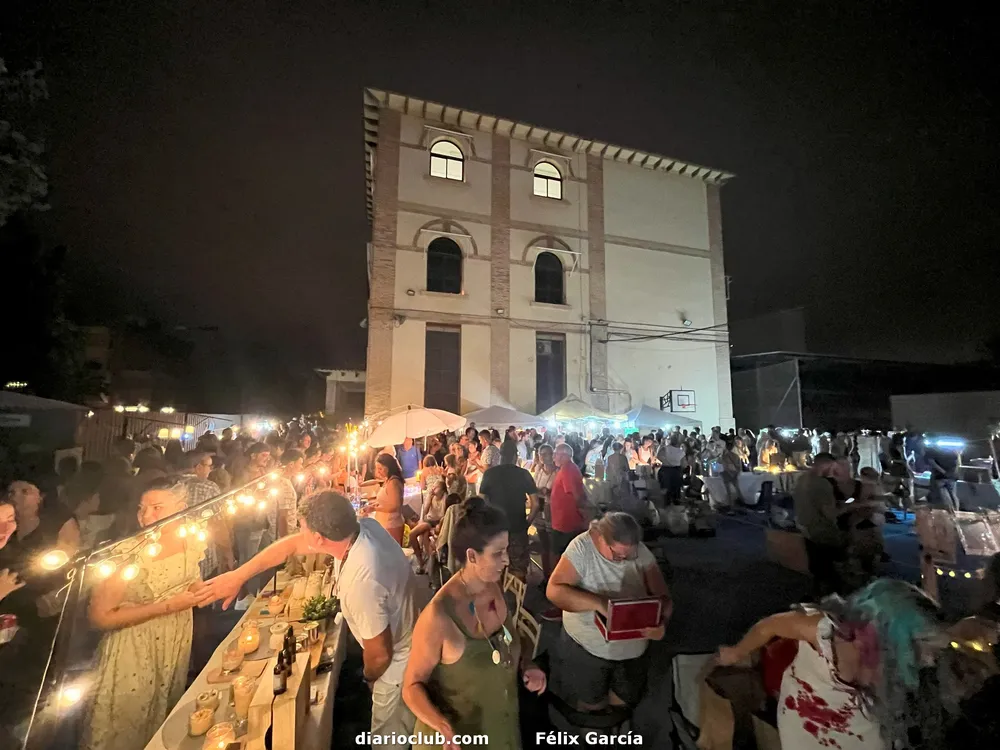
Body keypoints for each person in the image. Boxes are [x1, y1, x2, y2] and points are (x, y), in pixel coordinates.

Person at [197, 491, 418, 744]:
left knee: (390, 739)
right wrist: (239, 576)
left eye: (302, 529)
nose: (299, 534)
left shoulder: (363, 578)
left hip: (396, 667)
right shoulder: (363, 527)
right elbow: (290, 546)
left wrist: (367, 677)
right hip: (398, 642)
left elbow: (380, 654)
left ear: (318, 538)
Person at [717, 579, 946, 750]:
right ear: (888, 634)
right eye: (919, 645)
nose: (929, 660)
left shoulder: (890, 657)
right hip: (807, 724)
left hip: (862, 729)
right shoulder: (821, 630)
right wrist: (736, 653)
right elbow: (769, 626)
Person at [403, 496, 546, 749]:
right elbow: (411, 687)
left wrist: (527, 665)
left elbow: (509, 638)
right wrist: (442, 726)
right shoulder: (438, 617)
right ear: (472, 555)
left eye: (507, 549)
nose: (507, 561)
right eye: (498, 553)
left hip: (502, 728)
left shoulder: (493, 586)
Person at [83, 479, 206, 750]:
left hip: (174, 642)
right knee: (128, 725)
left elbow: (192, 581)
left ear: (181, 508)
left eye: (157, 508)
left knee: (162, 720)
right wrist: (167, 607)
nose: (146, 516)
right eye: (142, 508)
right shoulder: (127, 553)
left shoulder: (190, 539)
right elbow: (100, 616)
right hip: (134, 650)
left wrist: (214, 588)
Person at [546, 513, 671, 714]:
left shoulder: (638, 551)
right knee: (591, 704)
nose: (623, 560)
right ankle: (595, 737)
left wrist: (662, 622)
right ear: (600, 537)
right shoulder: (581, 548)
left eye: (628, 556)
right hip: (589, 648)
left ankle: (616, 734)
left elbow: (663, 596)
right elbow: (554, 591)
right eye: (616, 554)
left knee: (623, 703)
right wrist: (600, 604)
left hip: (632, 651)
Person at [793, 453, 854, 597]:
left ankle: (818, 597)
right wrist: (849, 506)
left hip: (807, 530)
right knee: (833, 571)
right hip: (824, 533)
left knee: (817, 569)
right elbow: (830, 514)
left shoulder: (802, 479)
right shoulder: (822, 484)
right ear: (825, 464)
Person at [479, 449, 538, 582]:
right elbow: (536, 504)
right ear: (515, 457)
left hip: (495, 528)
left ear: (500, 457)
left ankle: (499, 599)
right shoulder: (524, 474)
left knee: (495, 566)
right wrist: (526, 524)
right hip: (518, 527)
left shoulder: (489, 474)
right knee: (518, 567)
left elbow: (480, 502)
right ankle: (518, 601)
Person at [549, 444, 589, 560]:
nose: (553, 457)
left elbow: (577, 496)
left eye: (555, 454)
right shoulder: (566, 468)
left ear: (564, 455)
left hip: (566, 523)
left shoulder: (568, 469)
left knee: (561, 556)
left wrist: (584, 516)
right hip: (563, 521)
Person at [362, 453, 406, 544]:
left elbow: (394, 505)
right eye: (377, 469)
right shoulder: (387, 480)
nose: (378, 472)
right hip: (384, 522)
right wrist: (373, 505)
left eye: (380, 468)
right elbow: (385, 501)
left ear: (388, 467)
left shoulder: (394, 482)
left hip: (392, 524)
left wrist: (374, 508)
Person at [531, 444, 559, 581]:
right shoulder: (538, 470)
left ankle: (554, 576)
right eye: (540, 454)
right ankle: (546, 576)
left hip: (552, 511)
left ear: (552, 455)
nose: (542, 456)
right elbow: (532, 487)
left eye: (545, 453)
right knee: (543, 544)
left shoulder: (558, 472)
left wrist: (549, 492)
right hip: (540, 509)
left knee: (552, 545)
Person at [411, 481, 448, 574]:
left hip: (438, 523)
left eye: (436, 487)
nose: (433, 489)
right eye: (433, 486)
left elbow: (445, 515)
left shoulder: (445, 498)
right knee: (413, 534)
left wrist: (438, 526)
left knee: (425, 534)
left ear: (443, 490)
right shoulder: (431, 497)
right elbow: (425, 512)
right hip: (428, 521)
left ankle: (423, 564)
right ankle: (423, 561)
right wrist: (428, 498)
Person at [656, 433, 685, 503]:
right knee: (676, 489)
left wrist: (665, 461)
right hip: (676, 471)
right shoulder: (681, 451)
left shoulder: (665, 448)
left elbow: (658, 456)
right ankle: (676, 505)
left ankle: (666, 504)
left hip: (665, 470)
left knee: (665, 490)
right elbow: (684, 464)